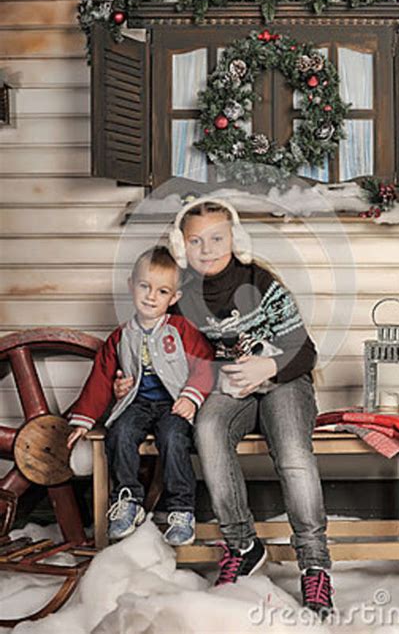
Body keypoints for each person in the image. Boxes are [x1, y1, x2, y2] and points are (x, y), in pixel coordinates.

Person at [115, 198, 334, 618]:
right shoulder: (181, 296)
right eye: (195, 241)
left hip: (283, 380)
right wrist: (130, 379)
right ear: (181, 247)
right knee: (209, 432)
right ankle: (243, 543)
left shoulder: (262, 282)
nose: (207, 248)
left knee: (292, 452)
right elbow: (163, 352)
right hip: (229, 386)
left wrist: (268, 365)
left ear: (235, 239)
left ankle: (315, 563)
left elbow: (303, 350)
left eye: (217, 238)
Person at [66, 245, 214, 545]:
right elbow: (101, 378)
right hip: (137, 403)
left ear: (174, 298)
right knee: (119, 434)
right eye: (144, 286)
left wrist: (191, 396)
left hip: (173, 403)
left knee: (173, 439)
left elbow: (205, 363)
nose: (150, 296)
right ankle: (128, 500)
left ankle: (181, 509)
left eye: (162, 292)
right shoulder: (121, 336)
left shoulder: (181, 330)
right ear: (131, 285)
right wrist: (83, 420)